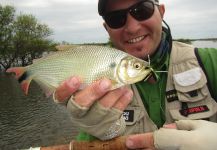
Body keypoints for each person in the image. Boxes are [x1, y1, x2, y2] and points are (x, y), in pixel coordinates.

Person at [54, 0, 217, 149]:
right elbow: (89, 138)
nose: (132, 28)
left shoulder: (210, 60)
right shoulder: (96, 77)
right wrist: (103, 131)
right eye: (116, 18)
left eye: (142, 10)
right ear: (107, 28)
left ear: (161, 12)